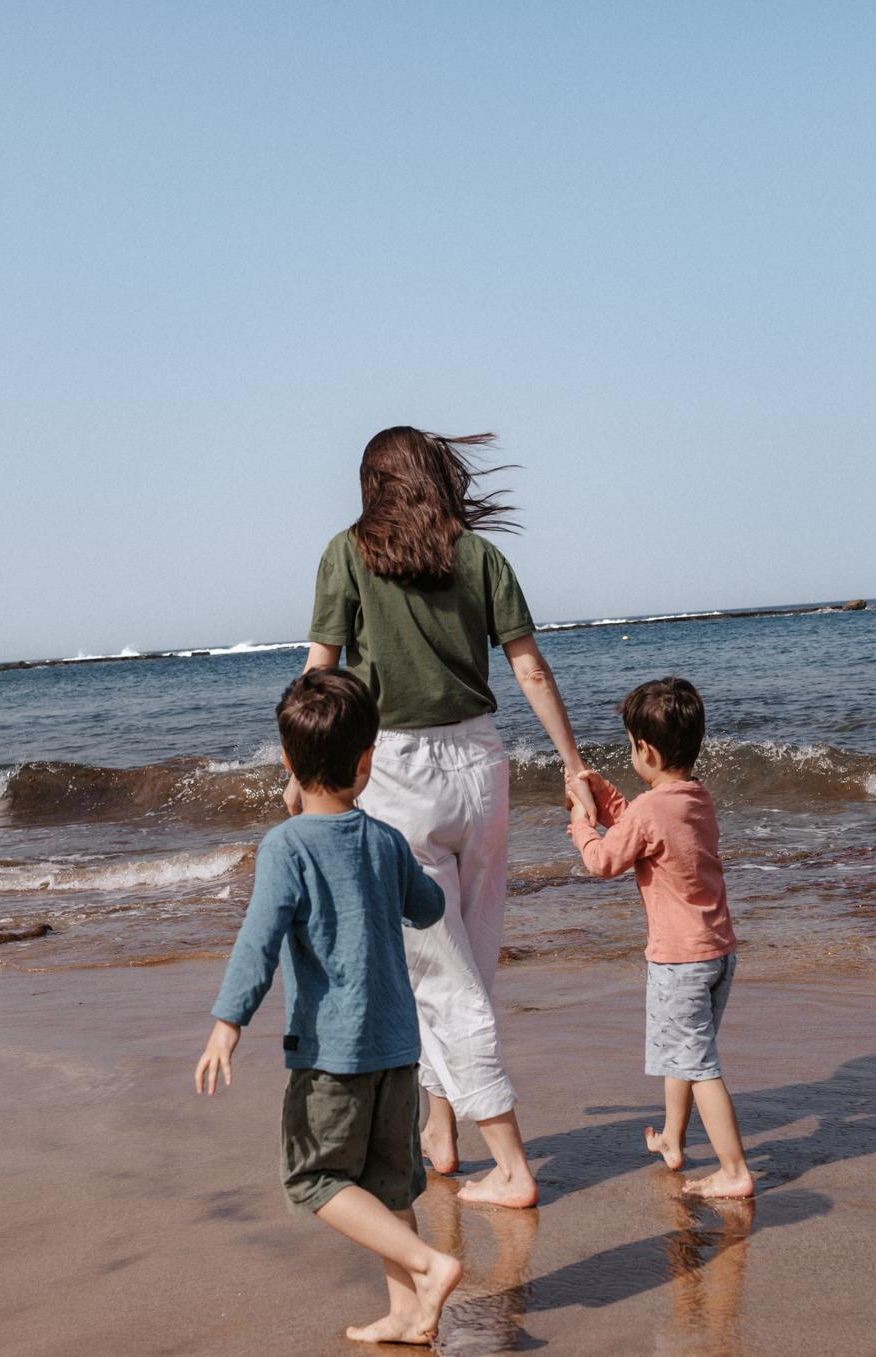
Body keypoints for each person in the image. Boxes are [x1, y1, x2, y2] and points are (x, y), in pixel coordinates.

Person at [294, 426, 594, 1209]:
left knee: (441, 974)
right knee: (467, 964)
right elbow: (529, 664)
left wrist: (298, 771)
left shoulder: (346, 551)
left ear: (371, 483)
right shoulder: (480, 554)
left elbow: (318, 675)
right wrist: (573, 765)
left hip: (396, 773)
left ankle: (514, 1163)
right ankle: (440, 1131)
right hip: (483, 766)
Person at [196, 668, 462, 1345]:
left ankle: (427, 1265)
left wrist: (227, 1024)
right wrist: (414, 860)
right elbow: (427, 908)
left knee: (313, 1176)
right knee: (390, 1185)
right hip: (400, 1052)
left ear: (287, 762)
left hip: (333, 1055)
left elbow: (257, 942)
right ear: (366, 763)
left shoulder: (286, 846)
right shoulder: (384, 841)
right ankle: (409, 1312)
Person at [568, 676, 754, 1199]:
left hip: (680, 961)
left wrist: (583, 823)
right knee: (685, 1053)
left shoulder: (652, 810)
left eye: (630, 746)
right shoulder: (695, 798)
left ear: (644, 750)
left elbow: (605, 860)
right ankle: (672, 1138)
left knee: (698, 1064)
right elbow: (649, 832)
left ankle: (735, 1170)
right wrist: (608, 799)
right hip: (717, 952)